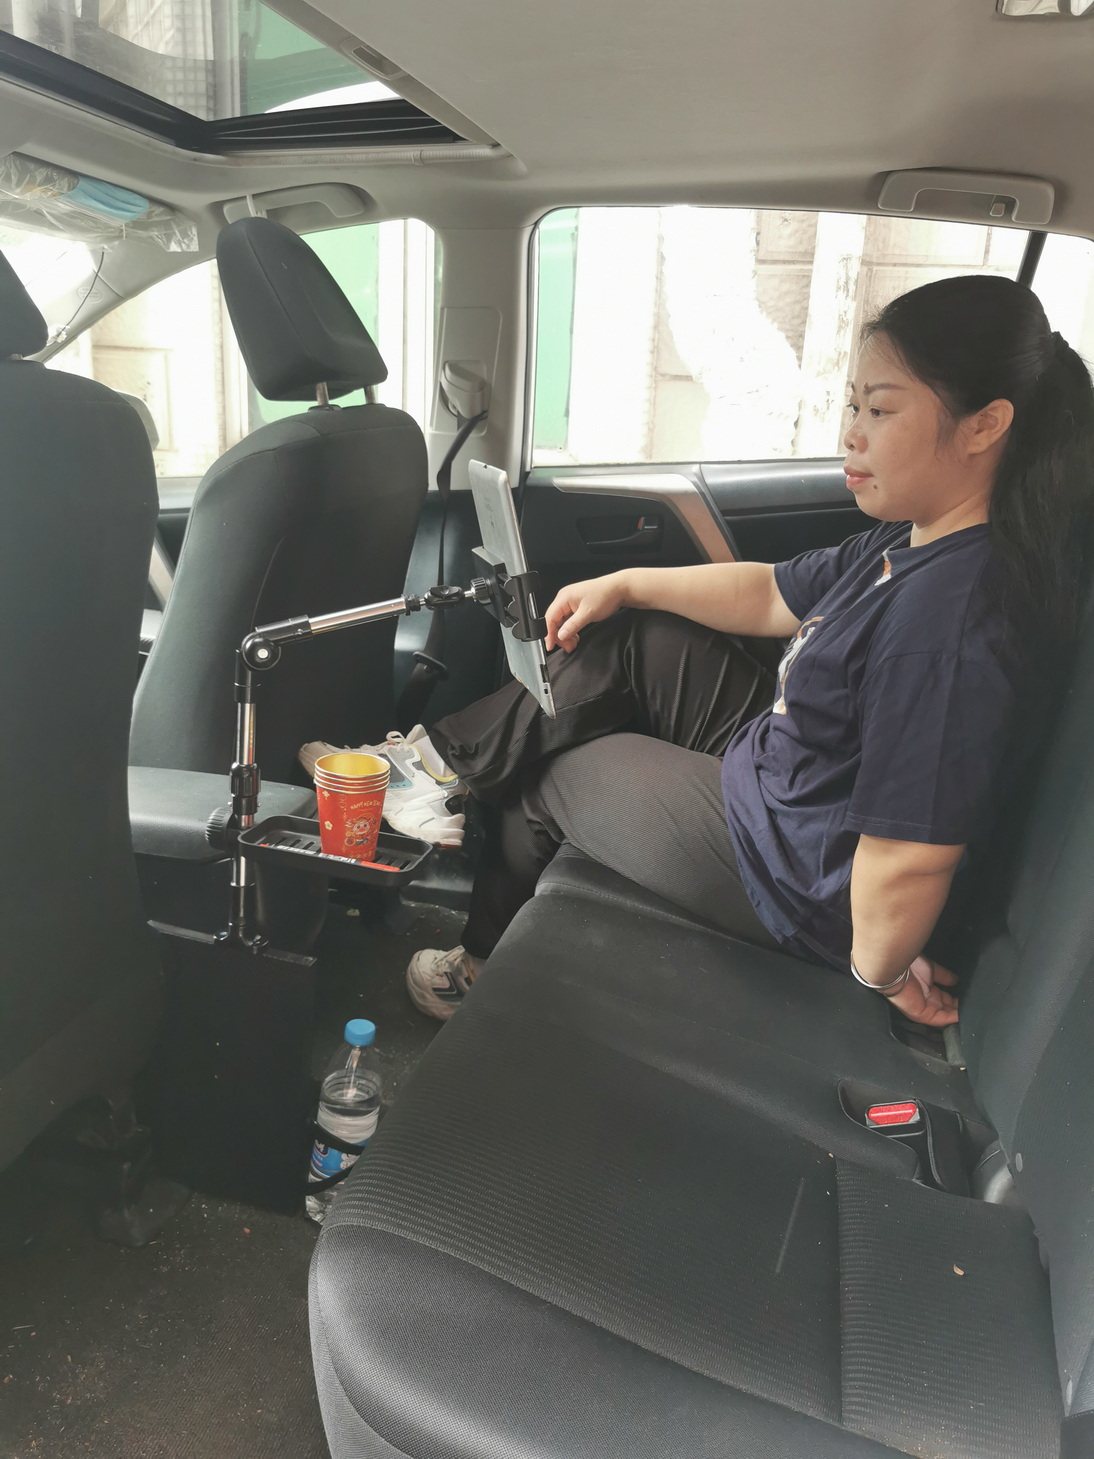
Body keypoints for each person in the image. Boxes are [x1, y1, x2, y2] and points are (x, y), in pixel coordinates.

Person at [401, 275, 1094, 1028]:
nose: (852, 434)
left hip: (796, 869)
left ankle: (476, 971)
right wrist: (625, 585)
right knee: (634, 637)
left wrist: (883, 969)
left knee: (546, 773)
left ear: (985, 425)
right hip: (797, 778)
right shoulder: (916, 536)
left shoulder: (950, 626)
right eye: (854, 406)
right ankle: (435, 768)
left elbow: (910, 850)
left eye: (881, 409)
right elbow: (770, 593)